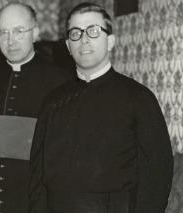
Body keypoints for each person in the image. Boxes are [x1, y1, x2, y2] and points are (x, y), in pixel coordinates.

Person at [29, 2, 174, 213]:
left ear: (110, 41)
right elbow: (37, 175)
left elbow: (157, 174)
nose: (84, 39)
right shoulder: (52, 101)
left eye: (93, 31)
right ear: (68, 46)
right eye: (76, 33)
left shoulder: (139, 98)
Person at [0, 3, 71, 212]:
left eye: (18, 31)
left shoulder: (61, 82)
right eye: (3, 32)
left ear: (35, 33)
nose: (10, 40)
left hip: (33, 201)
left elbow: (63, 156)